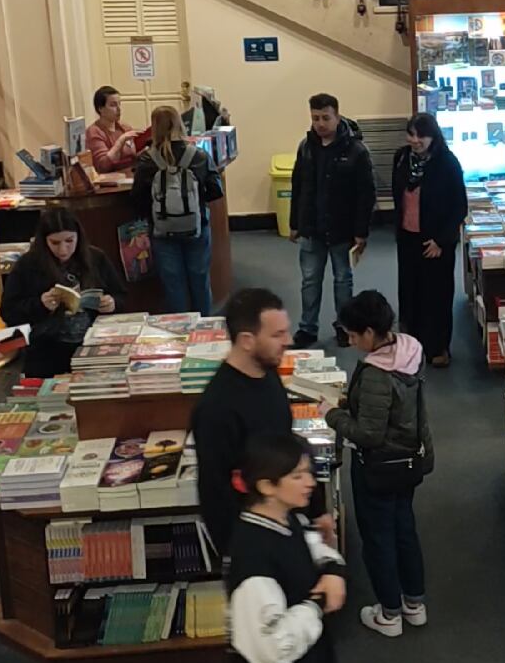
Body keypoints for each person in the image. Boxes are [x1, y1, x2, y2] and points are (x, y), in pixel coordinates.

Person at [325, 291, 433, 637]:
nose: (352, 342)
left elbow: (368, 434)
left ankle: (389, 613)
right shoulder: (410, 351)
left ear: (370, 332)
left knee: (378, 537)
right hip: (409, 459)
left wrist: (333, 414)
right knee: (404, 528)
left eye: (354, 336)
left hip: (378, 465)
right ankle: (414, 603)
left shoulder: (375, 373)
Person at [191, 288, 332, 554]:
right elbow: (215, 492)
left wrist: (317, 510)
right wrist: (240, 557)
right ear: (247, 340)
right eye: (277, 335)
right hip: (255, 542)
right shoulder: (216, 409)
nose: (288, 340)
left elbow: (289, 447)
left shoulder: (267, 373)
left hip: (286, 522)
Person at [228, 433, 347, 663]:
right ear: (266, 486)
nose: (311, 482)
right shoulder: (253, 558)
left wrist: (333, 569)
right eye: (297, 476)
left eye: (309, 473)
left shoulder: (288, 518)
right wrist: (317, 604)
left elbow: (312, 546)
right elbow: (272, 648)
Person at [289, 93, 376, 349]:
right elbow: (298, 187)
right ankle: (307, 328)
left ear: (337, 117)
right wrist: (294, 222)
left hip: (343, 228)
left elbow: (365, 195)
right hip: (312, 228)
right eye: (315, 118)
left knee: (342, 280)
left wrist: (361, 232)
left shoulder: (356, 150)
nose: (320, 123)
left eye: (326, 117)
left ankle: (344, 327)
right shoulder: (305, 147)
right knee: (310, 280)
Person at [0, 207, 127, 377]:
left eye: (69, 241)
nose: (63, 250)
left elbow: (122, 296)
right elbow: (8, 311)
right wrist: (40, 304)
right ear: (44, 241)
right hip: (48, 349)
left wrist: (112, 303)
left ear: (78, 237)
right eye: (55, 243)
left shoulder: (96, 258)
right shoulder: (28, 265)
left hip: (94, 343)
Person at [132, 105, 224, 314]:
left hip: (162, 230)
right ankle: (206, 331)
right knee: (200, 280)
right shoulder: (198, 156)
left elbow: (137, 198)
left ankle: (181, 334)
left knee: (174, 285)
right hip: (196, 226)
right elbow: (216, 190)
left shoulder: (147, 160)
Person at [392, 113, 467, 367]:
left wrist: (442, 241)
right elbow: (398, 197)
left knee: (437, 295)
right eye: (411, 134)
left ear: (433, 136)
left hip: (436, 241)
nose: (415, 140)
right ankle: (412, 345)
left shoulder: (447, 163)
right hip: (408, 238)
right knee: (410, 292)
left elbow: (459, 207)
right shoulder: (402, 158)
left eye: (420, 135)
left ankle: (438, 347)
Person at [86, 85, 143, 173]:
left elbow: (132, 158)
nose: (119, 109)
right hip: (111, 183)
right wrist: (121, 141)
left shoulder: (125, 128)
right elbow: (103, 166)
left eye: (119, 104)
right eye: (113, 105)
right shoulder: (94, 132)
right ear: (100, 108)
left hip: (131, 176)